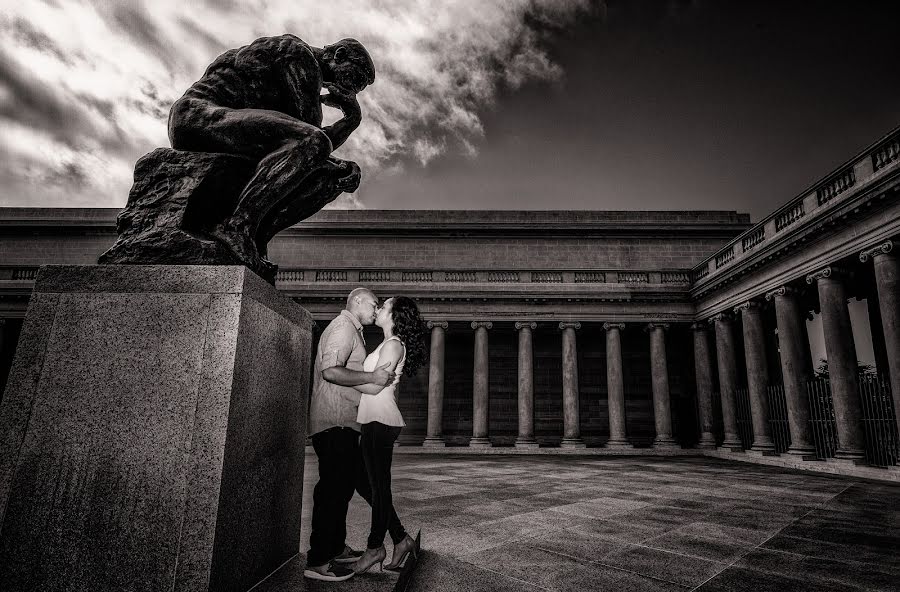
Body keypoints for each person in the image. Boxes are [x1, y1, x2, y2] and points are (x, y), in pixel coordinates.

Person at [168, 34, 375, 275]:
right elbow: (312, 136)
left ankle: (254, 239)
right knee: (314, 144)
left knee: (336, 176)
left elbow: (310, 148)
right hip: (198, 117)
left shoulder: (307, 72)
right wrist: (351, 120)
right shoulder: (298, 54)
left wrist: (349, 126)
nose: (353, 89)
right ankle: (237, 225)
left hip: (234, 130)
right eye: (355, 78)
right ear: (339, 56)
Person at [304, 287, 395, 582]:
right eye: (373, 303)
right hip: (335, 422)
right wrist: (372, 377)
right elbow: (330, 371)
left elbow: (349, 378)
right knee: (332, 490)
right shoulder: (343, 327)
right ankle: (318, 560)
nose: (376, 308)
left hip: (344, 422)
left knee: (342, 488)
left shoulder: (352, 331)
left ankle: (334, 548)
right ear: (357, 301)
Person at [350, 296, 427, 574]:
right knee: (365, 482)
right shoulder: (387, 343)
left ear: (394, 315)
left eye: (385, 305)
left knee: (379, 487)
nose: (379, 307)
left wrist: (339, 378)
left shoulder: (394, 344)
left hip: (381, 419)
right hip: (373, 419)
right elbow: (370, 383)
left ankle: (374, 548)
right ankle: (401, 538)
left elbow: (374, 387)